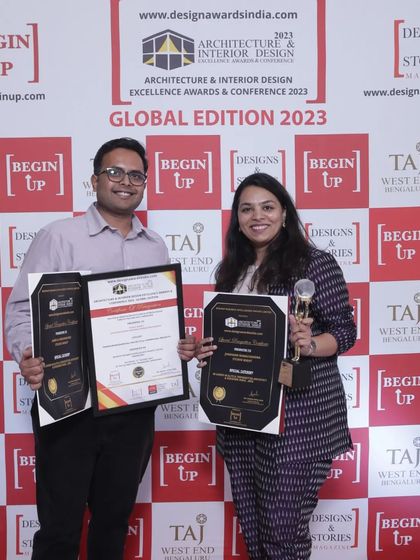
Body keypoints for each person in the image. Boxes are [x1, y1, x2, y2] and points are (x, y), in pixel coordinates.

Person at [5, 137, 196, 560]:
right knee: (60, 529)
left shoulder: (155, 245)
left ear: (144, 183)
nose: (125, 182)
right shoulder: (59, 236)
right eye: (114, 172)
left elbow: (155, 322)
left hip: (133, 407)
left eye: (136, 175)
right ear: (94, 180)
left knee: (112, 523)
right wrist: (27, 354)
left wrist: (175, 348)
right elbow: (20, 310)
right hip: (70, 402)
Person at [196, 172, 356, 560]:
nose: (257, 216)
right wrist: (207, 350)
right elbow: (230, 337)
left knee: (283, 534)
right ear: (237, 218)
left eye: (267, 207)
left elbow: (345, 331)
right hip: (240, 415)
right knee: (254, 530)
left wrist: (311, 343)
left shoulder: (314, 263)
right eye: (247, 209)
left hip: (298, 420)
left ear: (284, 213)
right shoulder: (230, 270)